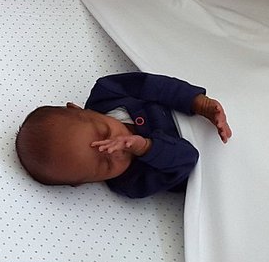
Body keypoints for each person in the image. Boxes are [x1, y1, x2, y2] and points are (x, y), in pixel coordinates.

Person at [15, 72, 231, 198]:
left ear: (77, 109)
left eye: (105, 132)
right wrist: (146, 147)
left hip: (211, 122)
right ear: (84, 182)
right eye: (106, 164)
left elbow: (156, 85)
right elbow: (188, 160)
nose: (117, 149)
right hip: (223, 168)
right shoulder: (131, 183)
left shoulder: (108, 92)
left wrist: (197, 102)